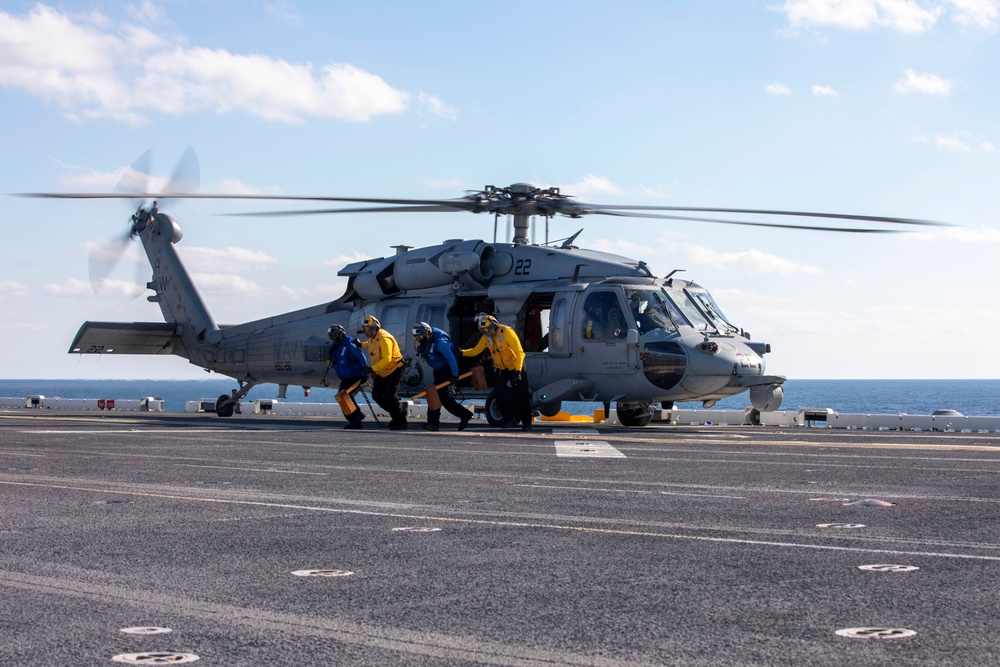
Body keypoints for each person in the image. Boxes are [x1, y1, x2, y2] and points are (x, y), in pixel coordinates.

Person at [461, 313, 532, 430]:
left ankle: (527, 423)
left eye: (487, 330)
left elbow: (520, 353)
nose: (485, 333)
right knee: (499, 393)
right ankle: (509, 419)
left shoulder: (506, 332)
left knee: (522, 395)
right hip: (501, 369)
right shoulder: (486, 337)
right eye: (483, 331)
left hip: (515, 367)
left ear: (493, 325)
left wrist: (518, 372)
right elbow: (475, 350)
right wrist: (462, 352)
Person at [412, 322, 474, 431]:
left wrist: (454, 375)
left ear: (426, 333)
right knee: (443, 397)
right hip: (438, 369)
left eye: (420, 337)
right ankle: (464, 414)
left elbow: (451, 358)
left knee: (434, 393)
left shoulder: (440, 342)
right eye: (417, 337)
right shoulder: (424, 341)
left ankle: (433, 423)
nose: (419, 339)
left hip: (447, 368)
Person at [359, 315, 408, 430]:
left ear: (375, 328)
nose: (365, 332)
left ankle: (400, 421)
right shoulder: (372, 337)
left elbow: (387, 358)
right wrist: (361, 344)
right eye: (364, 329)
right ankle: (399, 412)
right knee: (376, 395)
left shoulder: (384, 339)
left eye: (367, 329)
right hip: (383, 371)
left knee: (390, 396)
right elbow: (371, 345)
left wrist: (372, 369)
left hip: (395, 368)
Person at [326, 324, 369, 429]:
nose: (333, 339)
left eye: (335, 336)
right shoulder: (335, 348)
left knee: (345, 396)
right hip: (346, 378)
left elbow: (361, 357)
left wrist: (365, 374)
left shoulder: (349, 344)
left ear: (340, 334)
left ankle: (356, 418)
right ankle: (355, 420)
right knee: (341, 397)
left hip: (356, 376)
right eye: (331, 337)